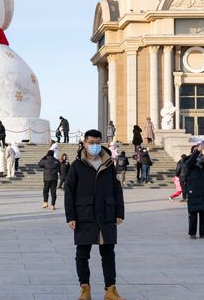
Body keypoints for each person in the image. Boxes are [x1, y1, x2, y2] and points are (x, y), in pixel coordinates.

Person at [65, 129, 125, 300]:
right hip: (84, 214)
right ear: (84, 143)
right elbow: (69, 191)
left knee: (108, 254)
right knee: (82, 254)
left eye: (98, 142)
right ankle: (85, 288)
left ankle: (110, 290)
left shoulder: (108, 165)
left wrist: (119, 212)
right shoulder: (77, 166)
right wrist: (71, 216)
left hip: (106, 213)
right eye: (91, 142)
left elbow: (116, 190)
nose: (95, 146)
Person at [184, 144, 204, 239]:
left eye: (200, 151)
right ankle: (192, 233)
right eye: (196, 150)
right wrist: (197, 151)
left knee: (203, 213)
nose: (199, 151)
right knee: (193, 213)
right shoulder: (188, 161)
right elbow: (190, 164)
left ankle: (203, 233)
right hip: (194, 189)